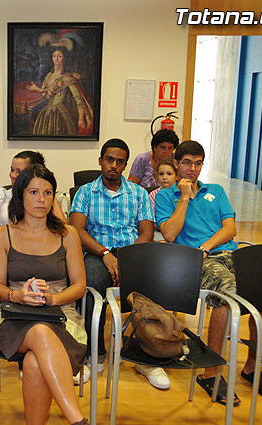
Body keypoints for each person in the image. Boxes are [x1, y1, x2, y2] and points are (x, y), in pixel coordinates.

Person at [155, 140, 262, 405]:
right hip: (193, 261)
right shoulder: (165, 196)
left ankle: (252, 367)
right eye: (187, 163)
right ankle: (210, 373)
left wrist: (206, 246)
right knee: (227, 294)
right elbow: (169, 233)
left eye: (198, 163)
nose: (192, 169)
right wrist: (185, 198)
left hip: (224, 252)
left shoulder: (217, 190)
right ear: (176, 164)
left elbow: (230, 228)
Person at [0, 164, 88, 425]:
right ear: (20, 196)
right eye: (34, 192)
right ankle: (77, 419)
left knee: (34, 363)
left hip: (61, 315)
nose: (42, 200)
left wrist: (53, 299)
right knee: (40, 333)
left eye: (48, 193)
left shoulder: (68, 235)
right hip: (15, 317)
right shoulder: (3, 235)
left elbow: (79, 286)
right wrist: (18, 296)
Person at [69, 139, 168, 390]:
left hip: (131, 253)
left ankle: (147, 358)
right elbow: (77, 230)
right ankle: (94, 354)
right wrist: (104, 253)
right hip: (96, 253)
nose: (113, 165)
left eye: (119, 161)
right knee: (90, 286)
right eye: (109, 159)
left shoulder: (138, 194)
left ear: (125, 164)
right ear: (100, 160)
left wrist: (127, 258)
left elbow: (146, 231)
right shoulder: (85, 192)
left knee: (153, 287)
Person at [0, 151, 67, 356]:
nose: (14, 175)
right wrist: (7, 246)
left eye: (20, 171)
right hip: (10, 257)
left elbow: (63, 228)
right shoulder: (2, 195)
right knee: (9, 276)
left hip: (43, 257)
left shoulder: (45, 198)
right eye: (12, 170)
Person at [26, 48, 93, 136]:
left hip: (62, 112)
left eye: (59, 56)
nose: (56, 58)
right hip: (47, 112)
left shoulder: (68, 77)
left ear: (64, 59)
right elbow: (46, 95)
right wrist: (37, 89)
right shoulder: (49, 76)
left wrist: (81, 119)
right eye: (54, 56)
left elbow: (78, 99)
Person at [148, 159, 178, 241]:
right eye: (161, 174)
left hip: (180, 231)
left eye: (169, 174)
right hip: (159, 231)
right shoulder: (153, 195)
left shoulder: (182, 193)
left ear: (177, 176)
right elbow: (151, 220)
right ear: (156, 176)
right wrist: (164, 227)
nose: (164, 177)